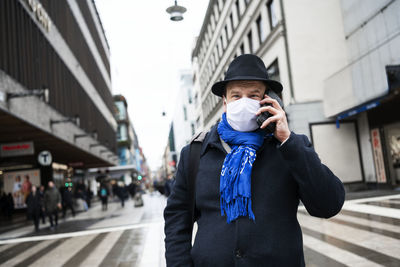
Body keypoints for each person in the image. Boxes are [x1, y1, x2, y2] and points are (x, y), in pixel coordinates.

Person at [164, 54, 345, 266]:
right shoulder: (195, 153)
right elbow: (177, 219)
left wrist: (287, 141)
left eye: (253, 95)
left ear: (268, 100)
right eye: (236, 96)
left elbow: (329, 205)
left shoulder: (289, 147)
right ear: (224, 102)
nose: (244, 103)